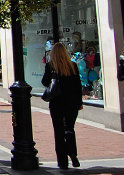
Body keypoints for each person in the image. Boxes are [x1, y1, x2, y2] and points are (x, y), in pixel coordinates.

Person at [42, 42, 83, 170]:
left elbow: (44, 82)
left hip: (56, 103)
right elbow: (78, 86)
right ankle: (72, 153)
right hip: (72, 103)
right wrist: (79, 102)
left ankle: (62, 162)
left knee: (59, 132)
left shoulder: (50, 66)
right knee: (69, 128)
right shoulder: (73, 66)